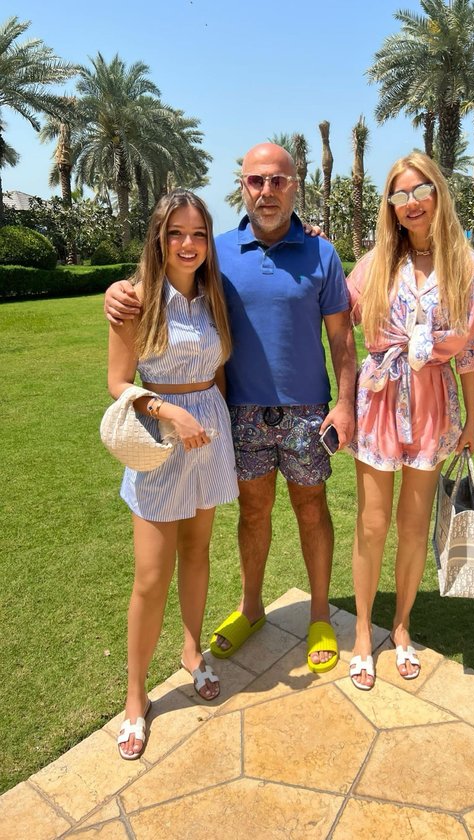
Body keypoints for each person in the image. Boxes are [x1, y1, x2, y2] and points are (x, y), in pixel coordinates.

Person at [105, 143, 356, 674]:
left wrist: (346, 402)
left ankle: (319, 615)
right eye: (256, 181)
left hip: (307, 411)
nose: (267, 191)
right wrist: (117, 291)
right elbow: (162, 279)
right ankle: (252, 607)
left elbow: (341, 337)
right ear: (242, 186)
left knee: (312, 509)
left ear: (295, 186)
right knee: (252, 513)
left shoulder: (322, 253)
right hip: (237, 411)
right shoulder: (215, 254)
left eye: (278, 180)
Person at [346, 151, 474, 691]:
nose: (411, 204)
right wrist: (312, 244)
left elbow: (471, 354)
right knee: (372, 524)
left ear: (438, 193)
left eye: (420, 191)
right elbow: (331, 311)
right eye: (400, 195)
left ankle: (402, 627)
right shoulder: (374, 265)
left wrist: (472, 421)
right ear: (389, 205)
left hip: (434, 404)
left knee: (413, 528)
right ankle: (362, 633)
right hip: (380, 402)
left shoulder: (467, 268)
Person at [108, 190, 238, 759]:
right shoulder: (135, 299)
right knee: (150, 575)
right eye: (176, 233)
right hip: (160, 440)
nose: (188, 244)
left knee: (198, 553)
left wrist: (208, 419)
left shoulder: (214, 296)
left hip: (208, 436)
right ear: (159, 239)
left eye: (198, 234)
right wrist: (169, 411)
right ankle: (135, 697)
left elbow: (219, 370)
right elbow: (118, 382)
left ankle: (191, 651)